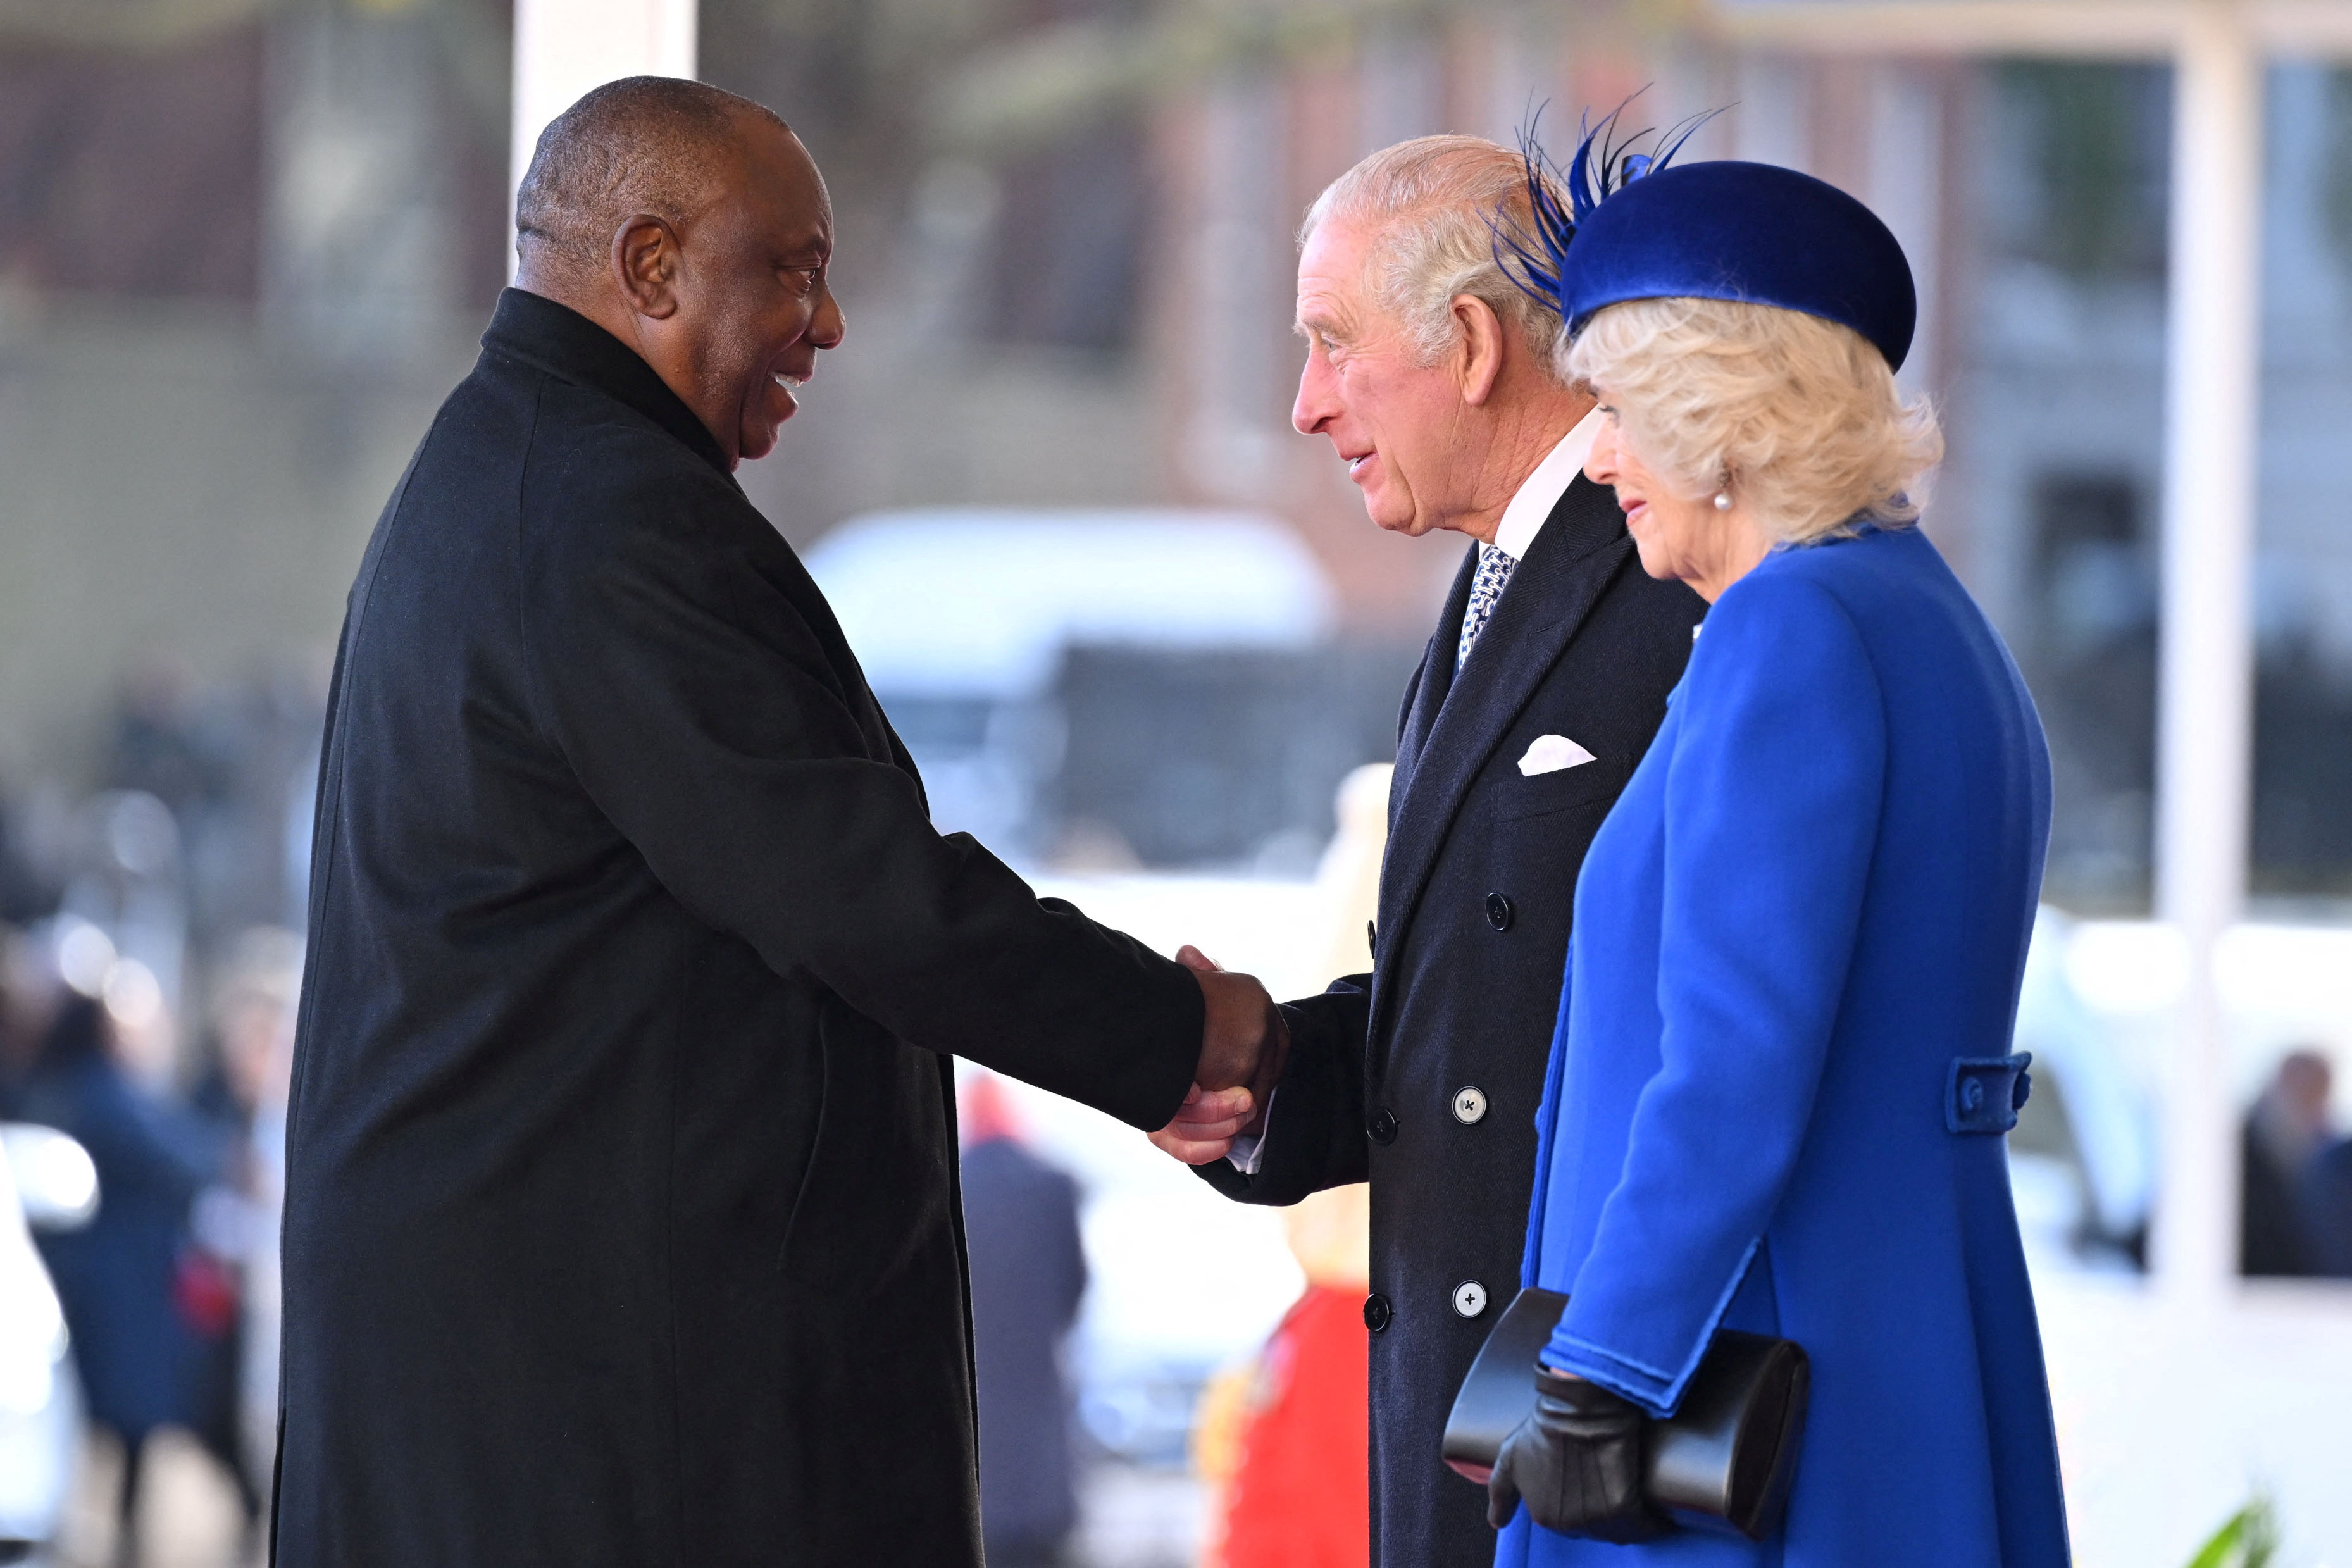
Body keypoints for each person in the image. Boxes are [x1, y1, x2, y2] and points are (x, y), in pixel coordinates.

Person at [275, 77, 1283, 1568]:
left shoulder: (511, 474)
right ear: (654, 265)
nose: (829, 323)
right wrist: (1185, 1038)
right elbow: (855, 890)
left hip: (538, 1409)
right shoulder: (608, 522)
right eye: (793, 272)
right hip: (618, 1444)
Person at [1481, 146, 2069, 1564]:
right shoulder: (1929, 622)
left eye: (1615, 409)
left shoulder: (1789, 628)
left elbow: (1735, 1062)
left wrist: (1602, 1368)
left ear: (1723, 414)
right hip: (1892, 1343)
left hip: (1732, 1376)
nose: (1601, 455)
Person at [1147, 135, 1705, 1568]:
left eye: (1333, 344)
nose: (1305, 402)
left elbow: (1693, 1046)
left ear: (1467, 345)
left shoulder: (1667, 573)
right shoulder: (1492, 583)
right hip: (1470, 1414)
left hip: (1583, 1427)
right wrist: (1262, 1077)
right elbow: (1460, 1026)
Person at [957, 1073, 1088, 1568]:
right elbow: (1073, 1292)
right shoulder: (1051, 1186)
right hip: (1040, 1438)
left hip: (971, 1427)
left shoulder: (947, 1188)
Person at [2241, 1048, 2332, 1275]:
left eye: (2318, 1094)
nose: (2313, 1106)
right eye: (2303, 1091)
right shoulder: (2233, 1155)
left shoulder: (2328, 1160)